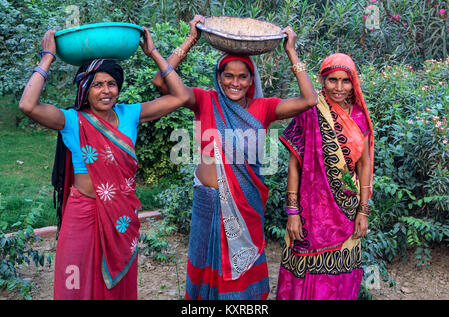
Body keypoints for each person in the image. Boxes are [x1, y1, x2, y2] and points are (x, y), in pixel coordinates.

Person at [153, 15, 318, 300]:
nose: (235, 82)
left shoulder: (264, 108)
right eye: (228, 76)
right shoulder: (205, 100)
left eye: (243, 76)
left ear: (252, 79)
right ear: (219, 78)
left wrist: (291, 51)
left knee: (242, 275)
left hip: (245, 204)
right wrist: (191, 40)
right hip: (207, 201)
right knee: (206, 266)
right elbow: (161, 82)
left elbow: (309, 100)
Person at [18, 27, 190, 299]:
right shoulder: (72, 121)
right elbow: (28, 105)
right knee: (74, 278)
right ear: (85, 89)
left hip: (120, 216)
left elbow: (180, 97)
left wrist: (153, 52)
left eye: (112, 84)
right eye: (97, 84)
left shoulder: (130, 114)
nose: (106, 91)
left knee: (116, 284)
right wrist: (48, 57)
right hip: (82, 215)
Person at [275, 53, 374, 300]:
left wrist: (363, 211)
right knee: (305, 271)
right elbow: (294, 165)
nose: (339, 87)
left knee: (341, 274)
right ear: (322, 80)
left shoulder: (359, 117)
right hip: (309, 212)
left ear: (354, 83)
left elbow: (364, 166)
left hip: (346, 211)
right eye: (332, 80)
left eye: (345, 81)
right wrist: (293, 213)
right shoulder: (309, 112)